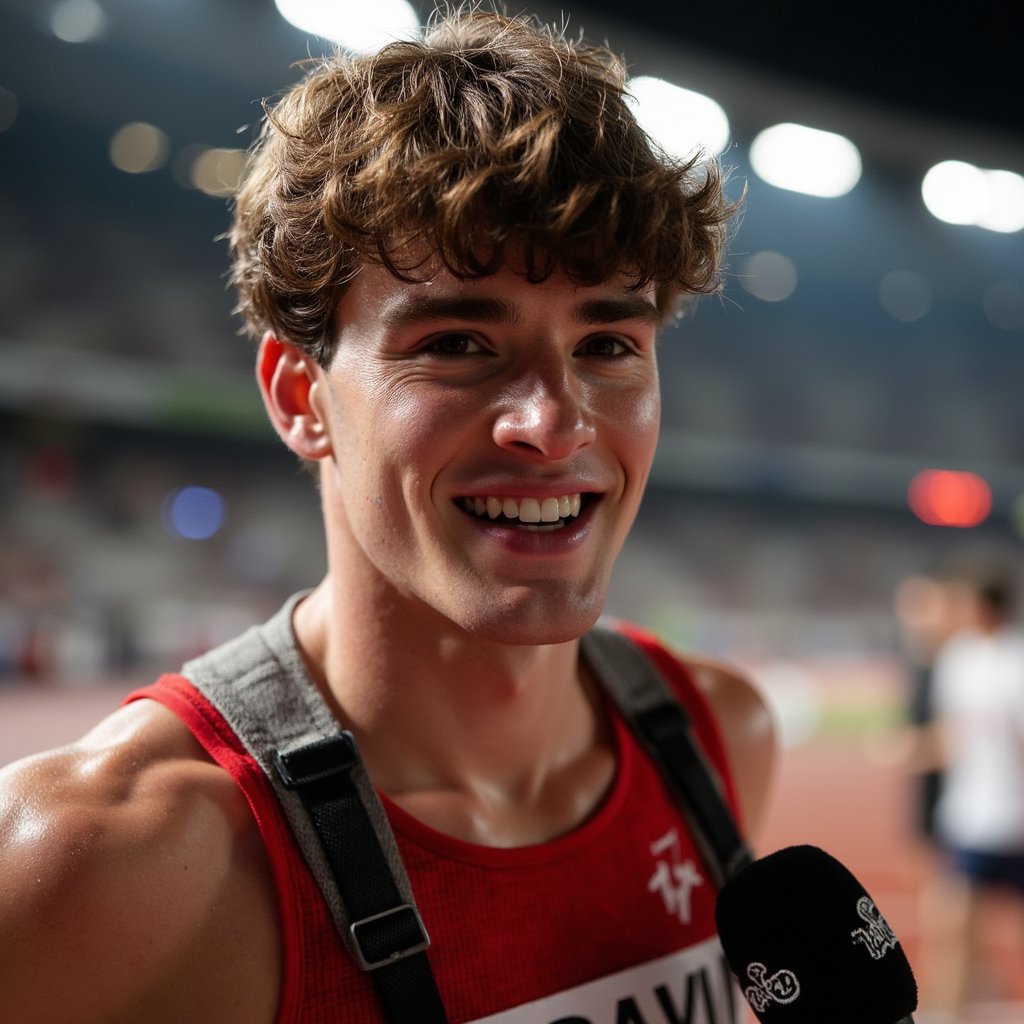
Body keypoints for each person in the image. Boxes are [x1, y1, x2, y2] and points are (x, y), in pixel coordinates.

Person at [0, 9, 777, 1023]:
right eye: (457, 343)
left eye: (608, 345)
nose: (552, 423)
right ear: (297, 396)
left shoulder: (720, 734)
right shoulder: (101, 865)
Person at [913, 558, 1024, 1019]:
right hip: (969, 818)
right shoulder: (957, 660)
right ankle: (946, 1013)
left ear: (982, 605)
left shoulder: (1017, 661)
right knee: (951, 925)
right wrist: (918, 751)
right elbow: (951, 734)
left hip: (1017, 819)